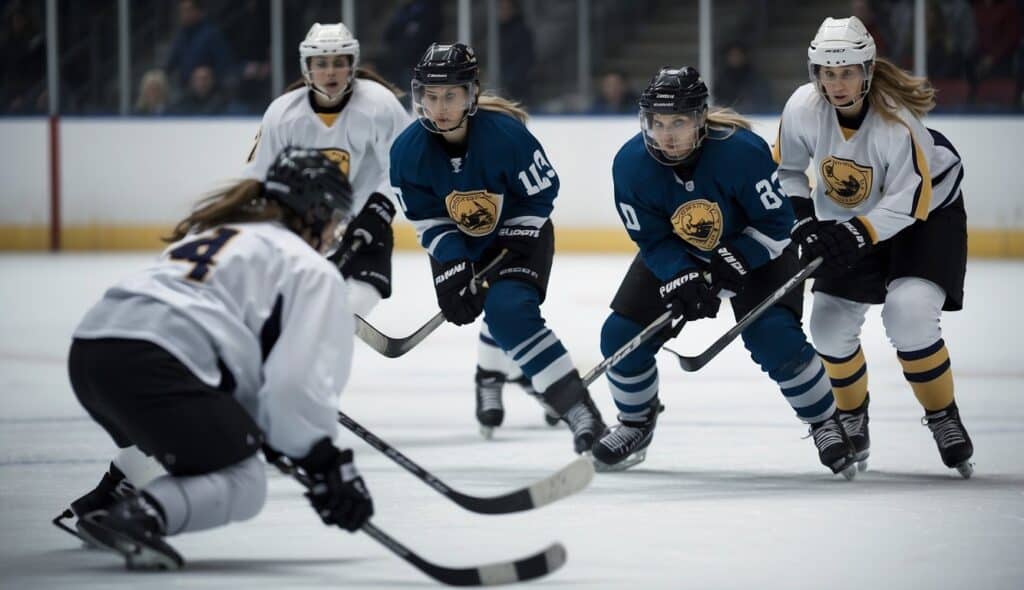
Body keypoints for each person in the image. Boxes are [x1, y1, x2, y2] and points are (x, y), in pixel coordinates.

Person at [60, 147, 374, 569]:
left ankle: (111, 497)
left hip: (92, 352)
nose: (335, 231)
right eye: (335, 217)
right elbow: (293, 387)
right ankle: (140, 514)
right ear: (315, 211)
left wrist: (272, 432)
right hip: (155, 364)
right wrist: (323, 463)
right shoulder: (309, 267)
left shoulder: (220, 235)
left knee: (206, 434)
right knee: (245, 480)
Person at [591, 66, 857, 478]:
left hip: (761, 251)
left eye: (678, 122)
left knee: (774, 341)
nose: (667, 135)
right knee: (619, 336)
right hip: (682, 253)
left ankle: (826, 421)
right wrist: (680, 274)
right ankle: (635, 423)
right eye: (658, 123)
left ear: (700, 118)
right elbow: (653, 239)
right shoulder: (630, 165)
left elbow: (779, 224)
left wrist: (738, 258)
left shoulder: (742, 152)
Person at [775, 16, 973, 477]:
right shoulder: (803, 108)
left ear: (866, 71)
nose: (835, 83)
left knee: (909, 315)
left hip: (926, 215)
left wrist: (857, 233)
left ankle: (943, 415)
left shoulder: (895, 122)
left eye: (845, 72)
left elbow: (911, 199)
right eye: (826, 72)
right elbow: (787, 170)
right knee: (826, 325)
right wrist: (803, 221)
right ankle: (851, 415)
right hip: (854, 216)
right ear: (814, 72)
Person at [390, 43, 606, 451]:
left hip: (520, 236)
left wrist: (514, 238)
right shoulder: (406, 152)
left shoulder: (507, 136)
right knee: (487, 308)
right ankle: (491, 375)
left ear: (470, 94)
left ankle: (578, 410)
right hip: (461, 243)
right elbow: (427, 218)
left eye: (450, 96)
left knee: (508, 309)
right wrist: (452, 262)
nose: (439, 107)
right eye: (431, 96)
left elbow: (541, 193)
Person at [243, 22, 411, 317]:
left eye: (338, 62)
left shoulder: (379, 106)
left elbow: (403, 168)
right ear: (307, 66)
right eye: (321, 63)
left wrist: (378, 211)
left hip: (366, 225)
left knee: (352, 304)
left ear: (352, 65)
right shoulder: (283, 115)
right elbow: (259, 177)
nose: (330, 72)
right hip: (305, 229)